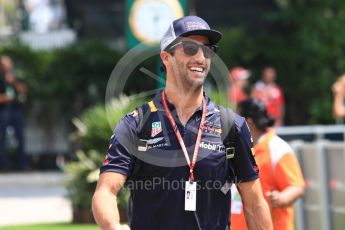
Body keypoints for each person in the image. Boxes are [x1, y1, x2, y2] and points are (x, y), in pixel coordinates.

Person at [92, 16, 273, 230]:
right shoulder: (136, 124)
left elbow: (254, 202)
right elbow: (106, 191)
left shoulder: (230, 125)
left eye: (207, 50)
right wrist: (112, 226)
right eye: (189, 48)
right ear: (166, 57)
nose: (200, 57)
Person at [231, 98, 305, 230]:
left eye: (236, 120)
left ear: (249, 123)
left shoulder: (278, 149)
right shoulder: (238, 147)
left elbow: (296, 186)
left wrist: (282, 198)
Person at [0, 55, 28, 171]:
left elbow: (24, 90)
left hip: (16, 110)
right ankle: (3, 165)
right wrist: (4, 98)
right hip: (3, 110)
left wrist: (13, 82)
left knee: (20, 137)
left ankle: (21, 164)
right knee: (3, 139)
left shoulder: (16, 76)